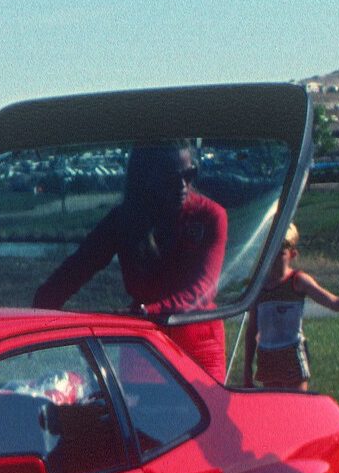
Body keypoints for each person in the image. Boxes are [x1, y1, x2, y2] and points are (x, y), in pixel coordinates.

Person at [33, 141, 231, 379]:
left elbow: (203, 290)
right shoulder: (124, 220)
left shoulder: (210, 216)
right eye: (170, 178)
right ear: (145, 179)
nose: (182, 185)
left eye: (189, 174)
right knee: (140, 414)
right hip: (144, 346)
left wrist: (147, 312)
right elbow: (78, 267)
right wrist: (39, 310)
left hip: (197, 344)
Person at [248, 223, 339, 391]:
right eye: (271, 251)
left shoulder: (298, 281)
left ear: (293, 254)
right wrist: (247, 372)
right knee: (273, 406)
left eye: (281, 253)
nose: (274, 257)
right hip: (267, 355)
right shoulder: (259, 286)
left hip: (291, 353)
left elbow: (333, 302)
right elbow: (251, 330)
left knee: (296, 404)